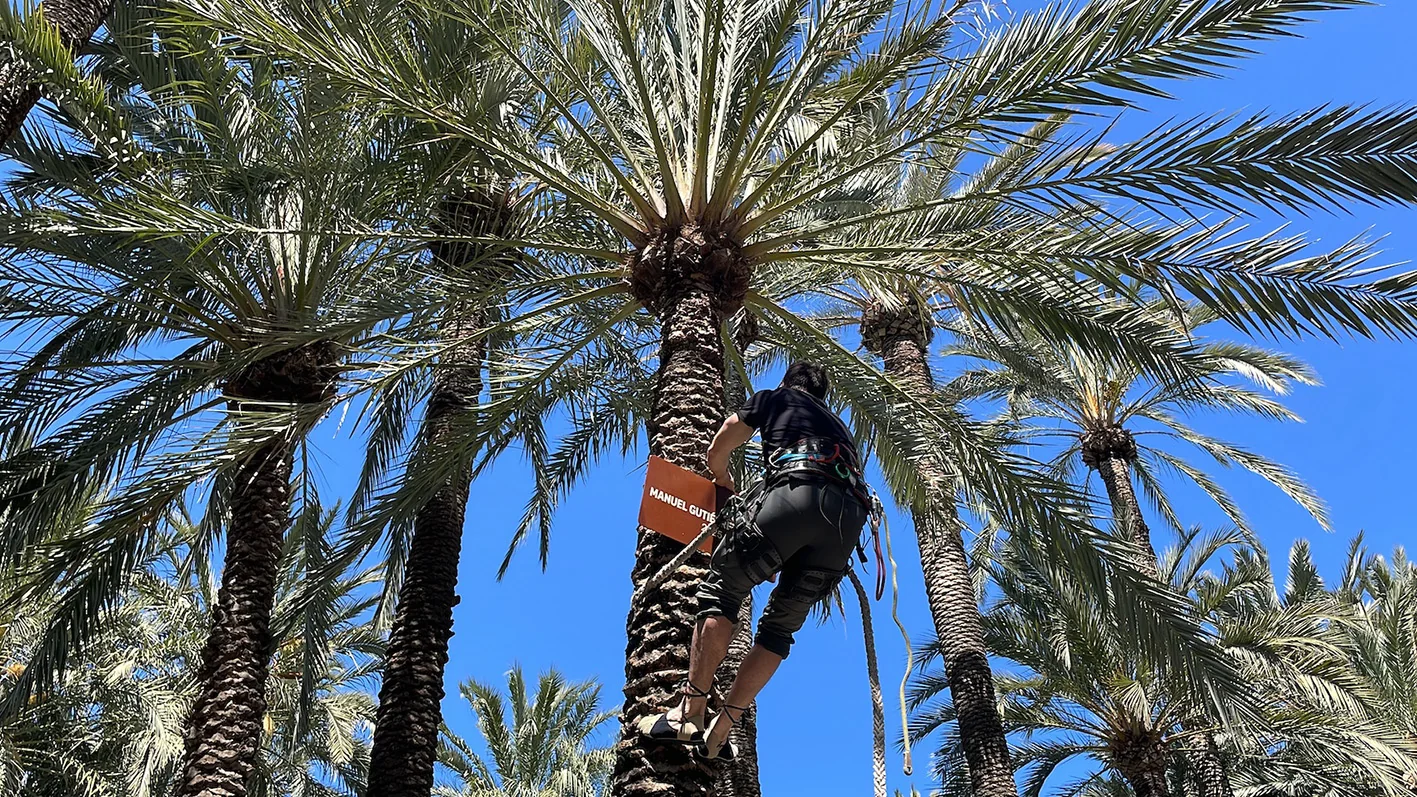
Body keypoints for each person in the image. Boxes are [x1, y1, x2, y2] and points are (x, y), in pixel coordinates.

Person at [637, 361, 871, 761]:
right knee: (779, 630)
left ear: (787, 383)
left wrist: (720, 473)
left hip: (796, 492)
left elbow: (724, 439)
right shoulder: (840, 429)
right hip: (847, 521)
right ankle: (722, 730)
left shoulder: (775, 397)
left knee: (721, 593)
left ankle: (689, 714)